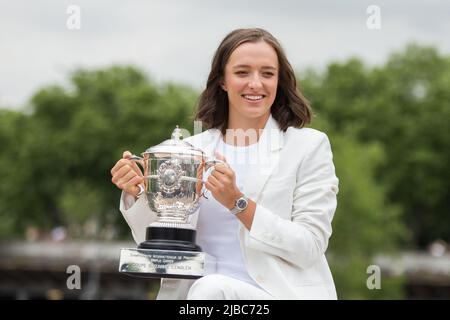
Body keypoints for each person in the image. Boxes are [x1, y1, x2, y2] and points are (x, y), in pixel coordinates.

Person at [110, 28, 339, 300]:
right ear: (222, 80)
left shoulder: (308, 146)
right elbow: (160, 248)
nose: (256, 83)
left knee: (211, 289)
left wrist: (238, 203)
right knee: (208, 289)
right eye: (242, 73)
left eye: (267, 73)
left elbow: (309, 246)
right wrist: (136, 194)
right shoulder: (189, 151)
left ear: (279, 81)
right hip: (196, 297)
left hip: (274, 295)